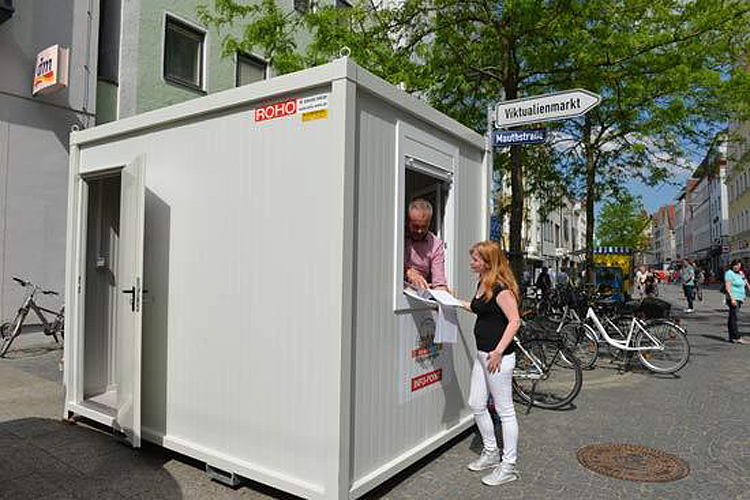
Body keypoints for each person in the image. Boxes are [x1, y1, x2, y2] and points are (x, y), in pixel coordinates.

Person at [460, 241, 521, 486]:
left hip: (498, 358)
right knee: (476, 403)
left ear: (487, 262)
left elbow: (514, 321)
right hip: (482, 354)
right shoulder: (483, 283)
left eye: (475, 259)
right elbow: (479, 309)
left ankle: (508, 466)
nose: (471, 263)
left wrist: (498, 351)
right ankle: (491, 452)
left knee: (505, 411)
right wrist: (449, 301)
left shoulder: (501, 288)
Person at [404, 199, 447, 290]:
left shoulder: (436, 244)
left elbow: (439, 281)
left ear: (429, 223)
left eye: (424, 227)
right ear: (408, 222)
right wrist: (407, 271)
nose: (419, 231)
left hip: (420, 292)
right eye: (415, 226)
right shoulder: (398, 237)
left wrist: (443, 292)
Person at [724, 259, 750, 344]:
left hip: (739, 298)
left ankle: (732, 337)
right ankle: (736, 337)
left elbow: (746, 282)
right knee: (734, 317)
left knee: (732, 317)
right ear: (732, 265)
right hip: (733, 297)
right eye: (735, 265)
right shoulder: (729, 273)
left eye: (739, 265)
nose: (737, 267)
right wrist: (732, 298)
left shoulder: (740, 273)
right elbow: (728, 287)